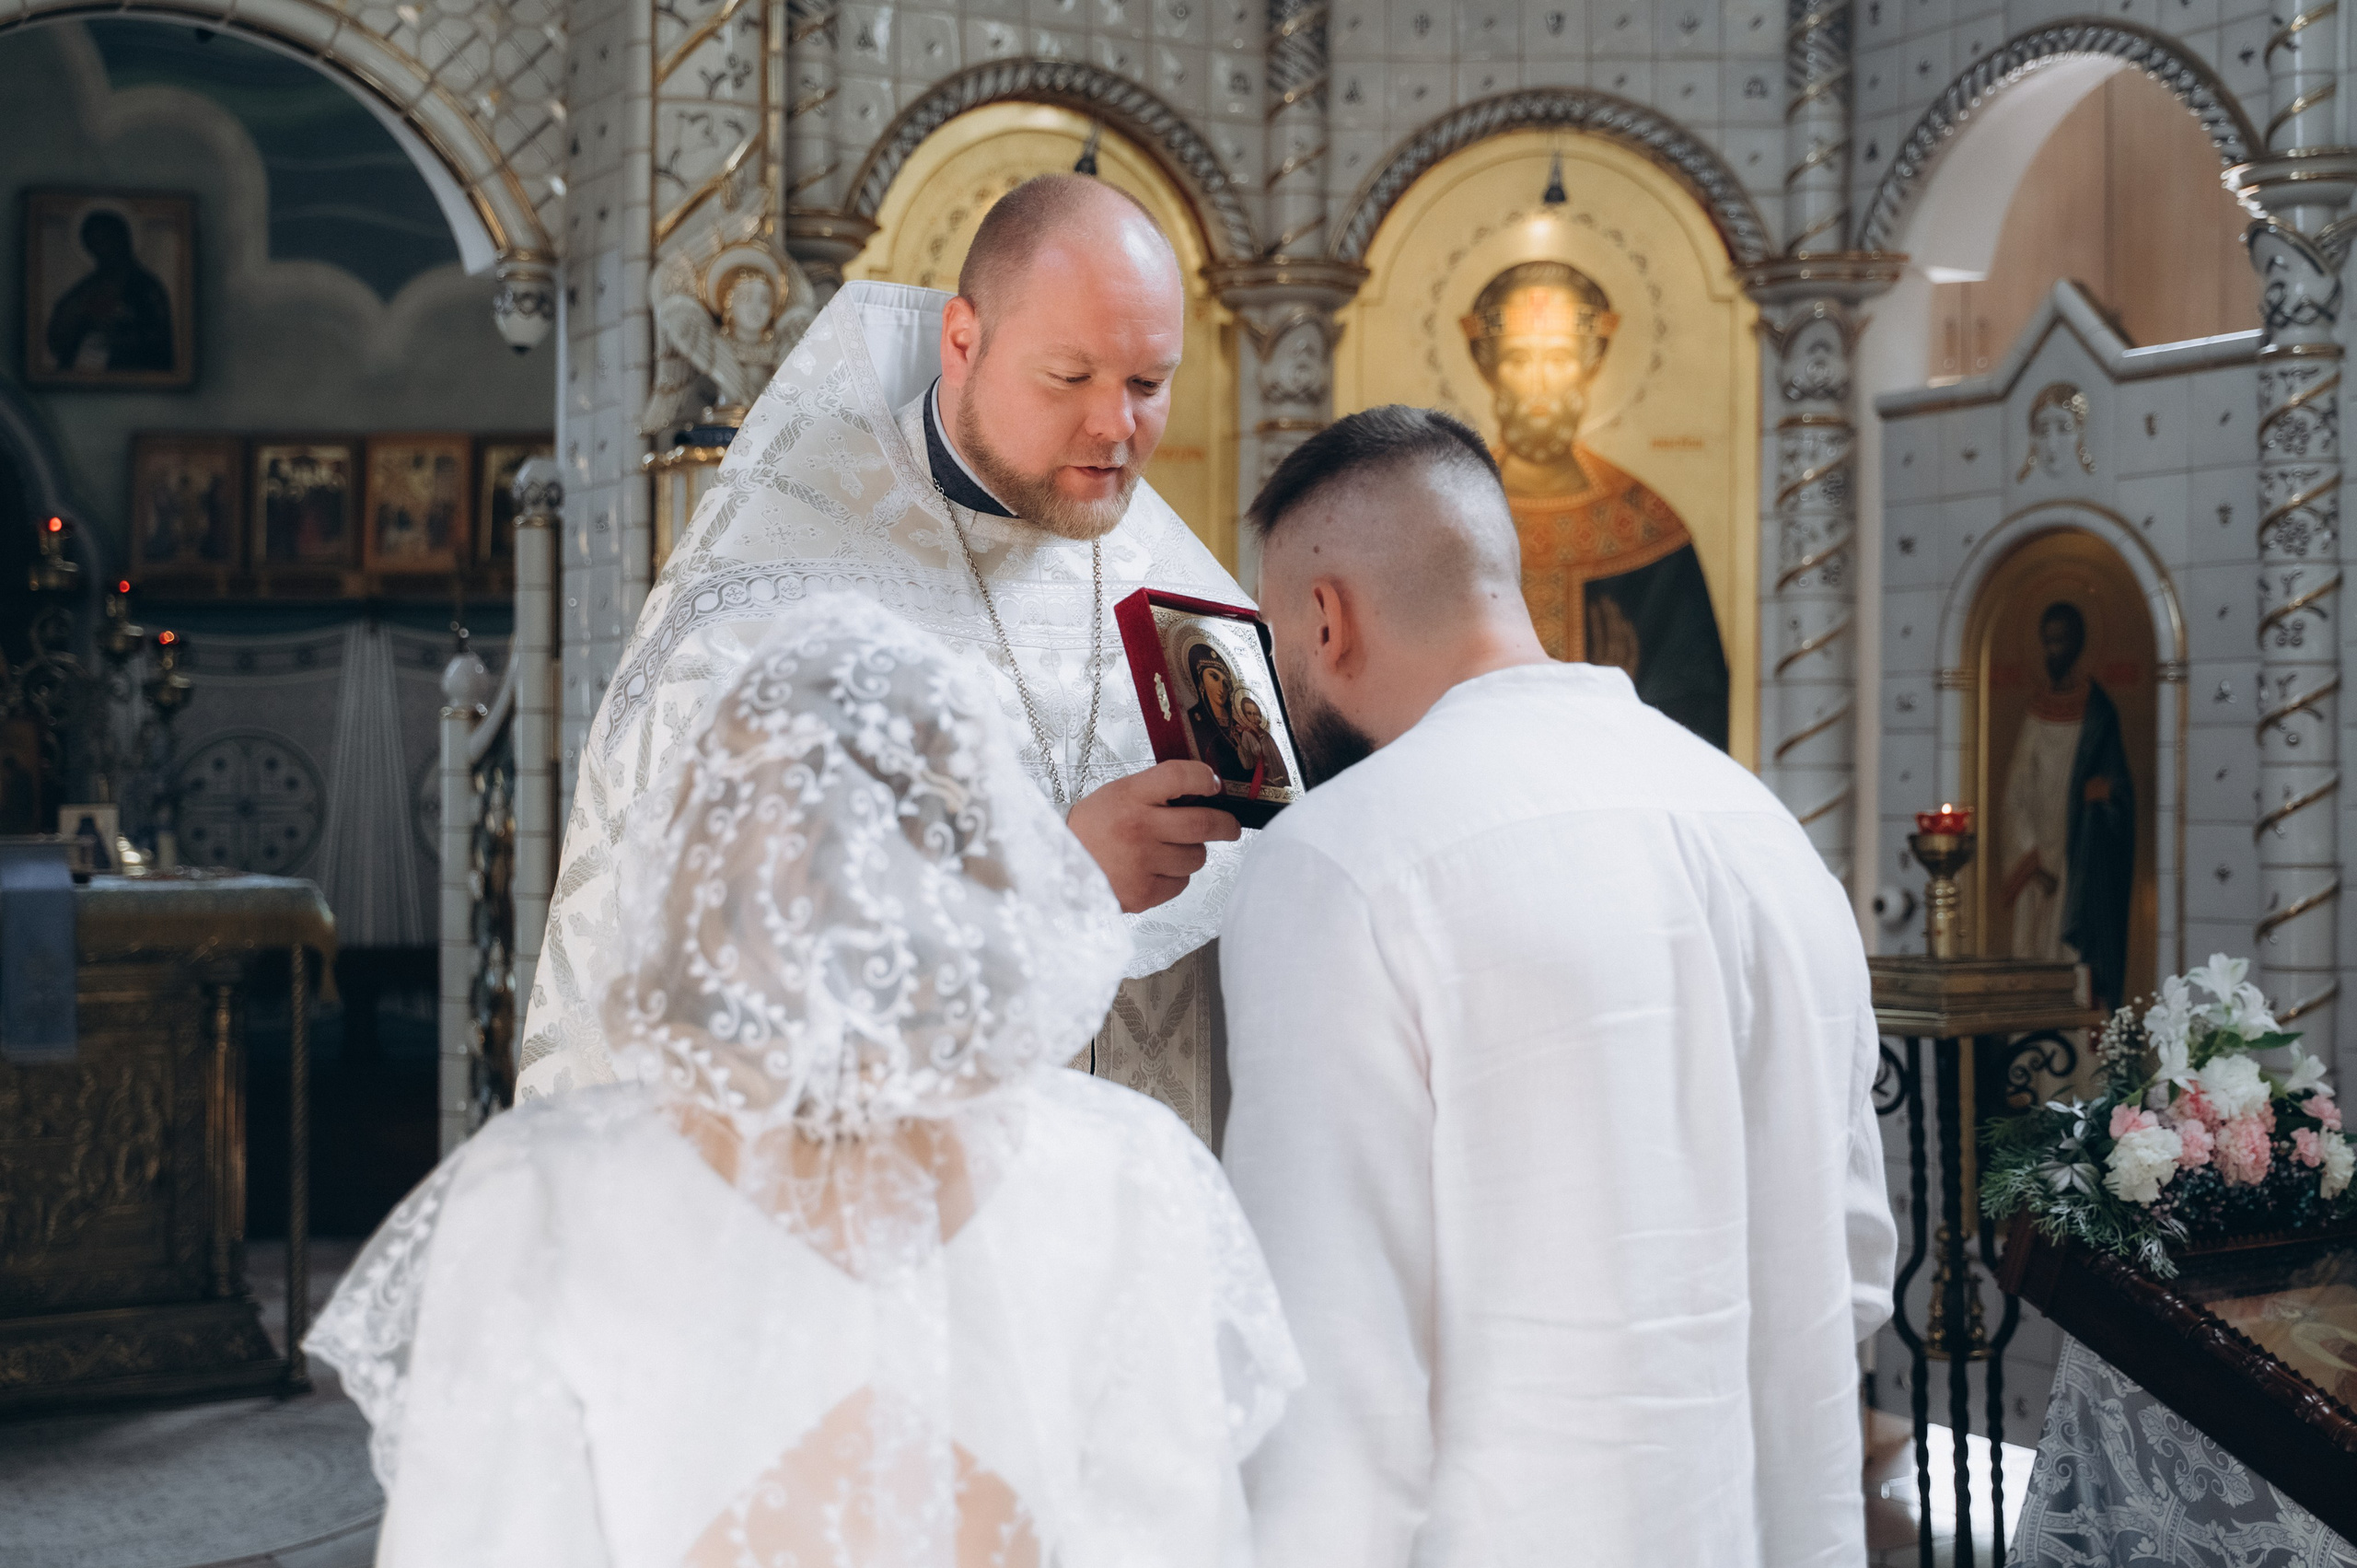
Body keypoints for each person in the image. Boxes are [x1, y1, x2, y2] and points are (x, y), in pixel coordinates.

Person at [308, 598, 1299, 1567]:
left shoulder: (538, 1190)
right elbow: (1174, 1533)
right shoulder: (1133, 1170)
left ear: (697, 860)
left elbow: (483, 1539)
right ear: (988, 862)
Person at [1217, 405, 1896, 1568]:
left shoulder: (1339, 861)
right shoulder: (1764, 830)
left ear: (1323, 619)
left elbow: (1334, 1376)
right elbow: (1852, 1266)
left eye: (1275, 637)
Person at [522, 175, 1249, 1139]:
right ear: (963, 342)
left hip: (1125, 1225)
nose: (1115, 427)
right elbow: (707, 982)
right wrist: (1059, 876)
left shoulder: (1184, 596)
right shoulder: (764, 611)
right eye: (1069, 379)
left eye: (1148, 385)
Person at [1458, 260, 1729, 749]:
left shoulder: (1648, 523)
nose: (1540, 383)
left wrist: (1617, 701)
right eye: (1519, 359)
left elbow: (1694, 710)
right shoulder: (1451, 513)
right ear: (1491, 372)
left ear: (1589, 370)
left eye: (1559, 358)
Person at [2001, 599, 2134, 1010]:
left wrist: (2104, 797)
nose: (2054, 651)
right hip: (2038, 864)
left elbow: (2121, 793)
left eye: (2062, 641)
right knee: (2034, 962)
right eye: (2048, 642)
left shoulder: (2098, 713)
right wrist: (2032, 861)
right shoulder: (2035, 710)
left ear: (2078, 644)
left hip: (2084, 864)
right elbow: (2015, 796)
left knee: (2077, 972)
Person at [44, 209, 175, 375]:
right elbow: (58, 339)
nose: (102, 250)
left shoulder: (146, 287)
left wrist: (118, 336)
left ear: (123, 241)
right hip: (83, 376)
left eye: (106, 241)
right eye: (95, 244)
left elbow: (159, 342)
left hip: (130, 374)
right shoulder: (87, 287)